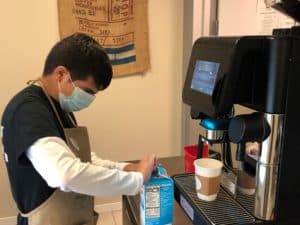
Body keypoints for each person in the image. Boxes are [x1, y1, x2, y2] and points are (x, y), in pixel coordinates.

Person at [1, 33, 157, 225]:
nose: (90, 99)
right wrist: (135, 181)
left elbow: (82, 159)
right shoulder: (28, 110)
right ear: (61, 74)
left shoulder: (58, 105)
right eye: (88, 91)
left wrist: (126, 168)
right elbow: (64, 174)